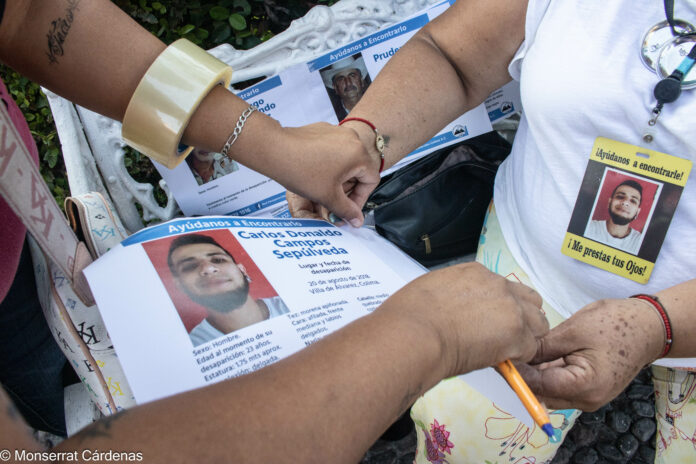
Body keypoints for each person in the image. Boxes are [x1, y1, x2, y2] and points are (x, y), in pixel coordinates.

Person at [0, 0, 550, 461]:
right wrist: (426, 335)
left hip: (15, 251)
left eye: (209, 260)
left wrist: (278, 148)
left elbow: (29, 14)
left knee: (37, 373)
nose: (209, 269)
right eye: (192, 267)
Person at [287, 0, 696, 462]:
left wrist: (658, 327)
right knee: (459, 447)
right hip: (527, 265)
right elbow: (452, 56)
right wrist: (361, 140)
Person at [166, 234, 289, 346]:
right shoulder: (194, 344)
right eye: (190, 266)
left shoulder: (289, 303)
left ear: (242, 270)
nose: (209, 268)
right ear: (180, 286)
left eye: (218, 260)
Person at [584, 179, 644, 255]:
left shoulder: (641, 243)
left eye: (633, 201)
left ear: (637, 212)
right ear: (609, 203)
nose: (625, 202)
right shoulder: (588, 227)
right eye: (620, 196)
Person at [321, 54, 369, 120]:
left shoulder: (378, 106)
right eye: (341, 79)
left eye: (352, 75)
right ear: (335, 87)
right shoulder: (332, 119)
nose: (348, 82)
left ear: (361, 81)